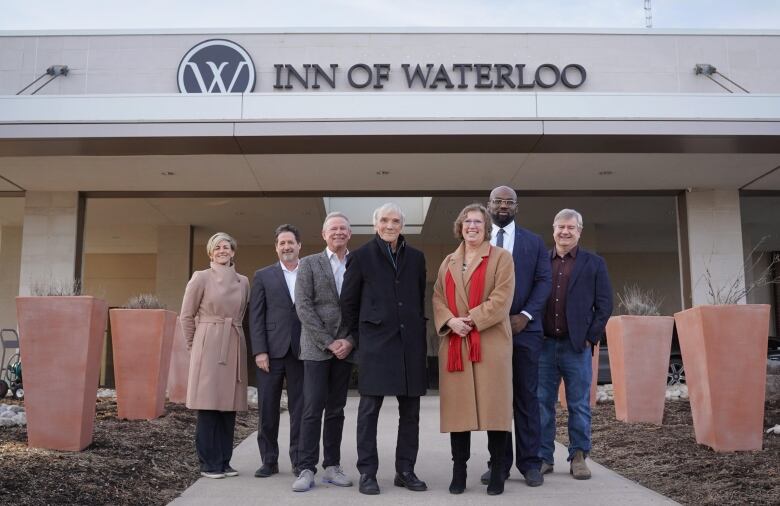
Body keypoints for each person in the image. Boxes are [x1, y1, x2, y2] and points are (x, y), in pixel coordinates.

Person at [340, 203, 428, 496]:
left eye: (396, 221)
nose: (390, 225)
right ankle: (367, 472)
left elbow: (416, 297)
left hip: (410, 346)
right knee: (368, 412)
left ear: (402, 225)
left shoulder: (416, 258)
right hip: (375, 345)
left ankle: (405, 470)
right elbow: (348, 304)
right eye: (385, 221)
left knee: (411, 412)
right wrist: (359, 338)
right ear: (375, 224)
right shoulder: (361, 257)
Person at [432, 203, 515, 496]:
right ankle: (459, 471)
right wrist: (451, 321)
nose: (472, 226)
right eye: (467, 221)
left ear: (487, 227)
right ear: (460, 226)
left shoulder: (501, 258)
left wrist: (472, 319)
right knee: (459, 411)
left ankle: (497, 471)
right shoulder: (448, 262)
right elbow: (438, 297)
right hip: (457, 343)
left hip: (490, 343)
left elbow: (502, 298)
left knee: (495, 409)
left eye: (478, 222)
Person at [480, 186, 552, 488]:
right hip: (489, 333)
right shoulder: (477, 241)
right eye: (499, 201)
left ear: (516, 207)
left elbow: (543, 281)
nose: (504, 206)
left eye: (510, 202)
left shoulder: (533, 243)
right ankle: (498, 464)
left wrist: (526, 316)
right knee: (496, 400)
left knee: (526, 397)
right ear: (489, 205)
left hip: (525, 331)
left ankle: (530, 463)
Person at [538, 209, 613, 480]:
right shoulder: (541, 262)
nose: (565, 232)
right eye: (561, 227)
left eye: (571, 227)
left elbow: (605, 305)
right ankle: (543, 457)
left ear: (579, 231)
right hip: (544, 346)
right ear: (553, 229)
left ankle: (578, 456)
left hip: (576, 347)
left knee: (578, 404)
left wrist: (589, 337)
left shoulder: (594, 263)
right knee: (541, 403)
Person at [292, 212, 356, 492]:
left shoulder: (358, 263)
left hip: (346, 348)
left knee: (336, 409)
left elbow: (365, 306)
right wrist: (328, 341)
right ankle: (306, 468)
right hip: (317, 348)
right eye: (333, 228)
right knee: (311, 409)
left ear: (349, 234)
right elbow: (303, 307)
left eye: (343, 228)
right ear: (323, 234)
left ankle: (332, 466)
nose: (338, 232)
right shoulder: (307, 263)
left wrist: (349, 340)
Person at [180, 232, 250, 479]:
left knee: (228, 404)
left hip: (233, 339)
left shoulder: (243, 281)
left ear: (233, 251)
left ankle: (224, 460)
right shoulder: (201, 278)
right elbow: (186, 316)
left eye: (227, 247)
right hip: (208, 342)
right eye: (217, 247)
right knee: (209, 403)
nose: (222, 250)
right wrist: (194, 345)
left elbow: (241, 313)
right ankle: (209, 463)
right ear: (210, 253)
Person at [249, 224, 305, 478]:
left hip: (302, 351)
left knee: (300, 409)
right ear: (276, 247)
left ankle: (299, 460)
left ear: (299, 245)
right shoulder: (263, 275)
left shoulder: (310, 271)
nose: (286, 247)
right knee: (268, 408)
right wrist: (259, 351)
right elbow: (256, 316)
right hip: (270, 353)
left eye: (290, 242)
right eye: (282, 243)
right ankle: (269, 461)